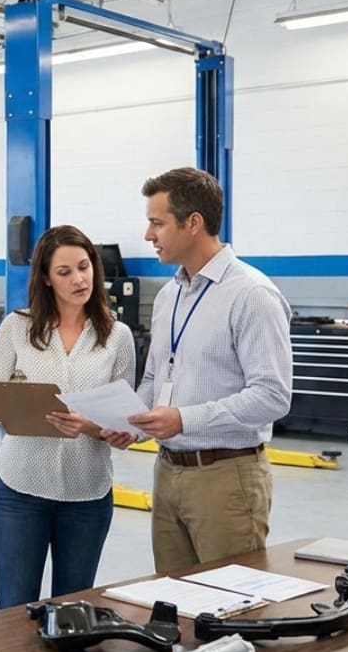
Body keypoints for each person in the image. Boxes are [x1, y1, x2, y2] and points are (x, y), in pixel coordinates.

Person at [113, 168, 293, 574]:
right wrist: (133, 424)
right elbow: (154, 382)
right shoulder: (169, 295)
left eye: (156, 223)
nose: (147, 235)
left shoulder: (251, 294)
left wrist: (184, 419)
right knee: (174, 604)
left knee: (231, 607)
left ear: (193, 223)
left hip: (226, 478)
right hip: (168, 472)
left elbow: (272, 395)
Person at [0, 226, 136, 609]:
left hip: (88, 493)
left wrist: (96, 427)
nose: (78, 279)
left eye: (84, 267)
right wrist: (17, 406)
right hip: (21, 490)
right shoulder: (17, 327)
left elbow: (126, 417)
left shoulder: (117, 336)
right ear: (47, 279)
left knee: (73, 609)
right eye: (64, 272)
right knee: (14, 607)